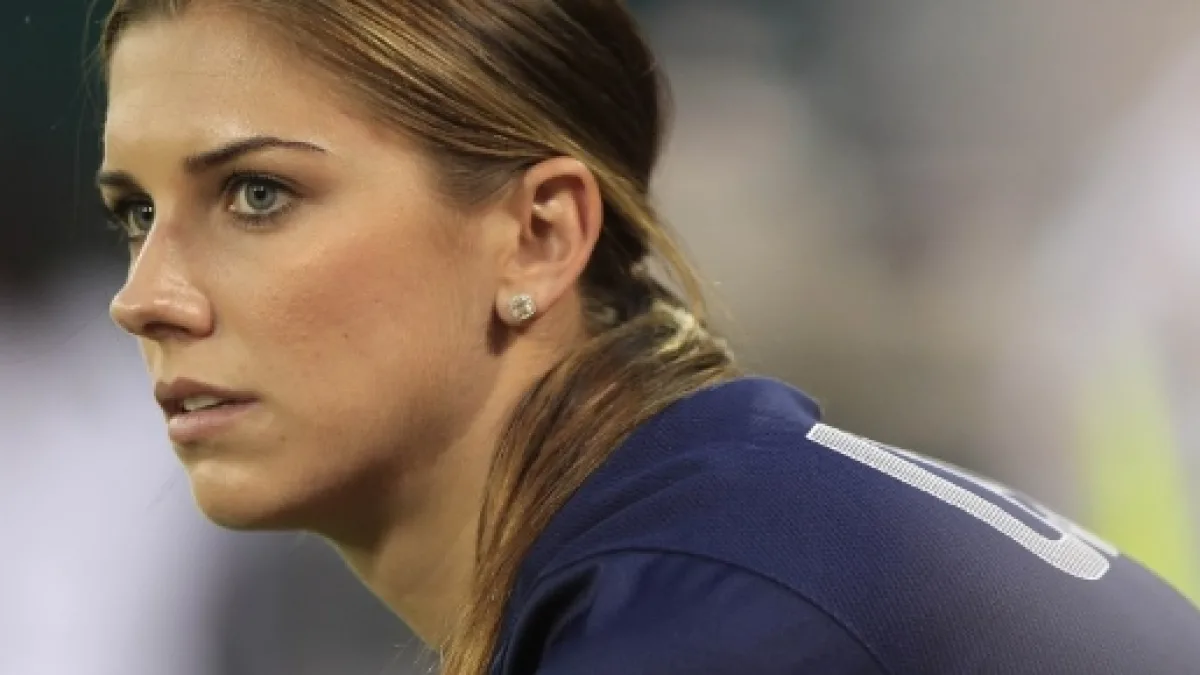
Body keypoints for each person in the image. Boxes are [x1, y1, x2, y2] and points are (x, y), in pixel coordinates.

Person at [94, 1, 1200, 673]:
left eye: (257, 194)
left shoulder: (701, 609)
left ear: (538, 238)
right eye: (137, 213)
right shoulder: (712, 533)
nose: (145, 296)